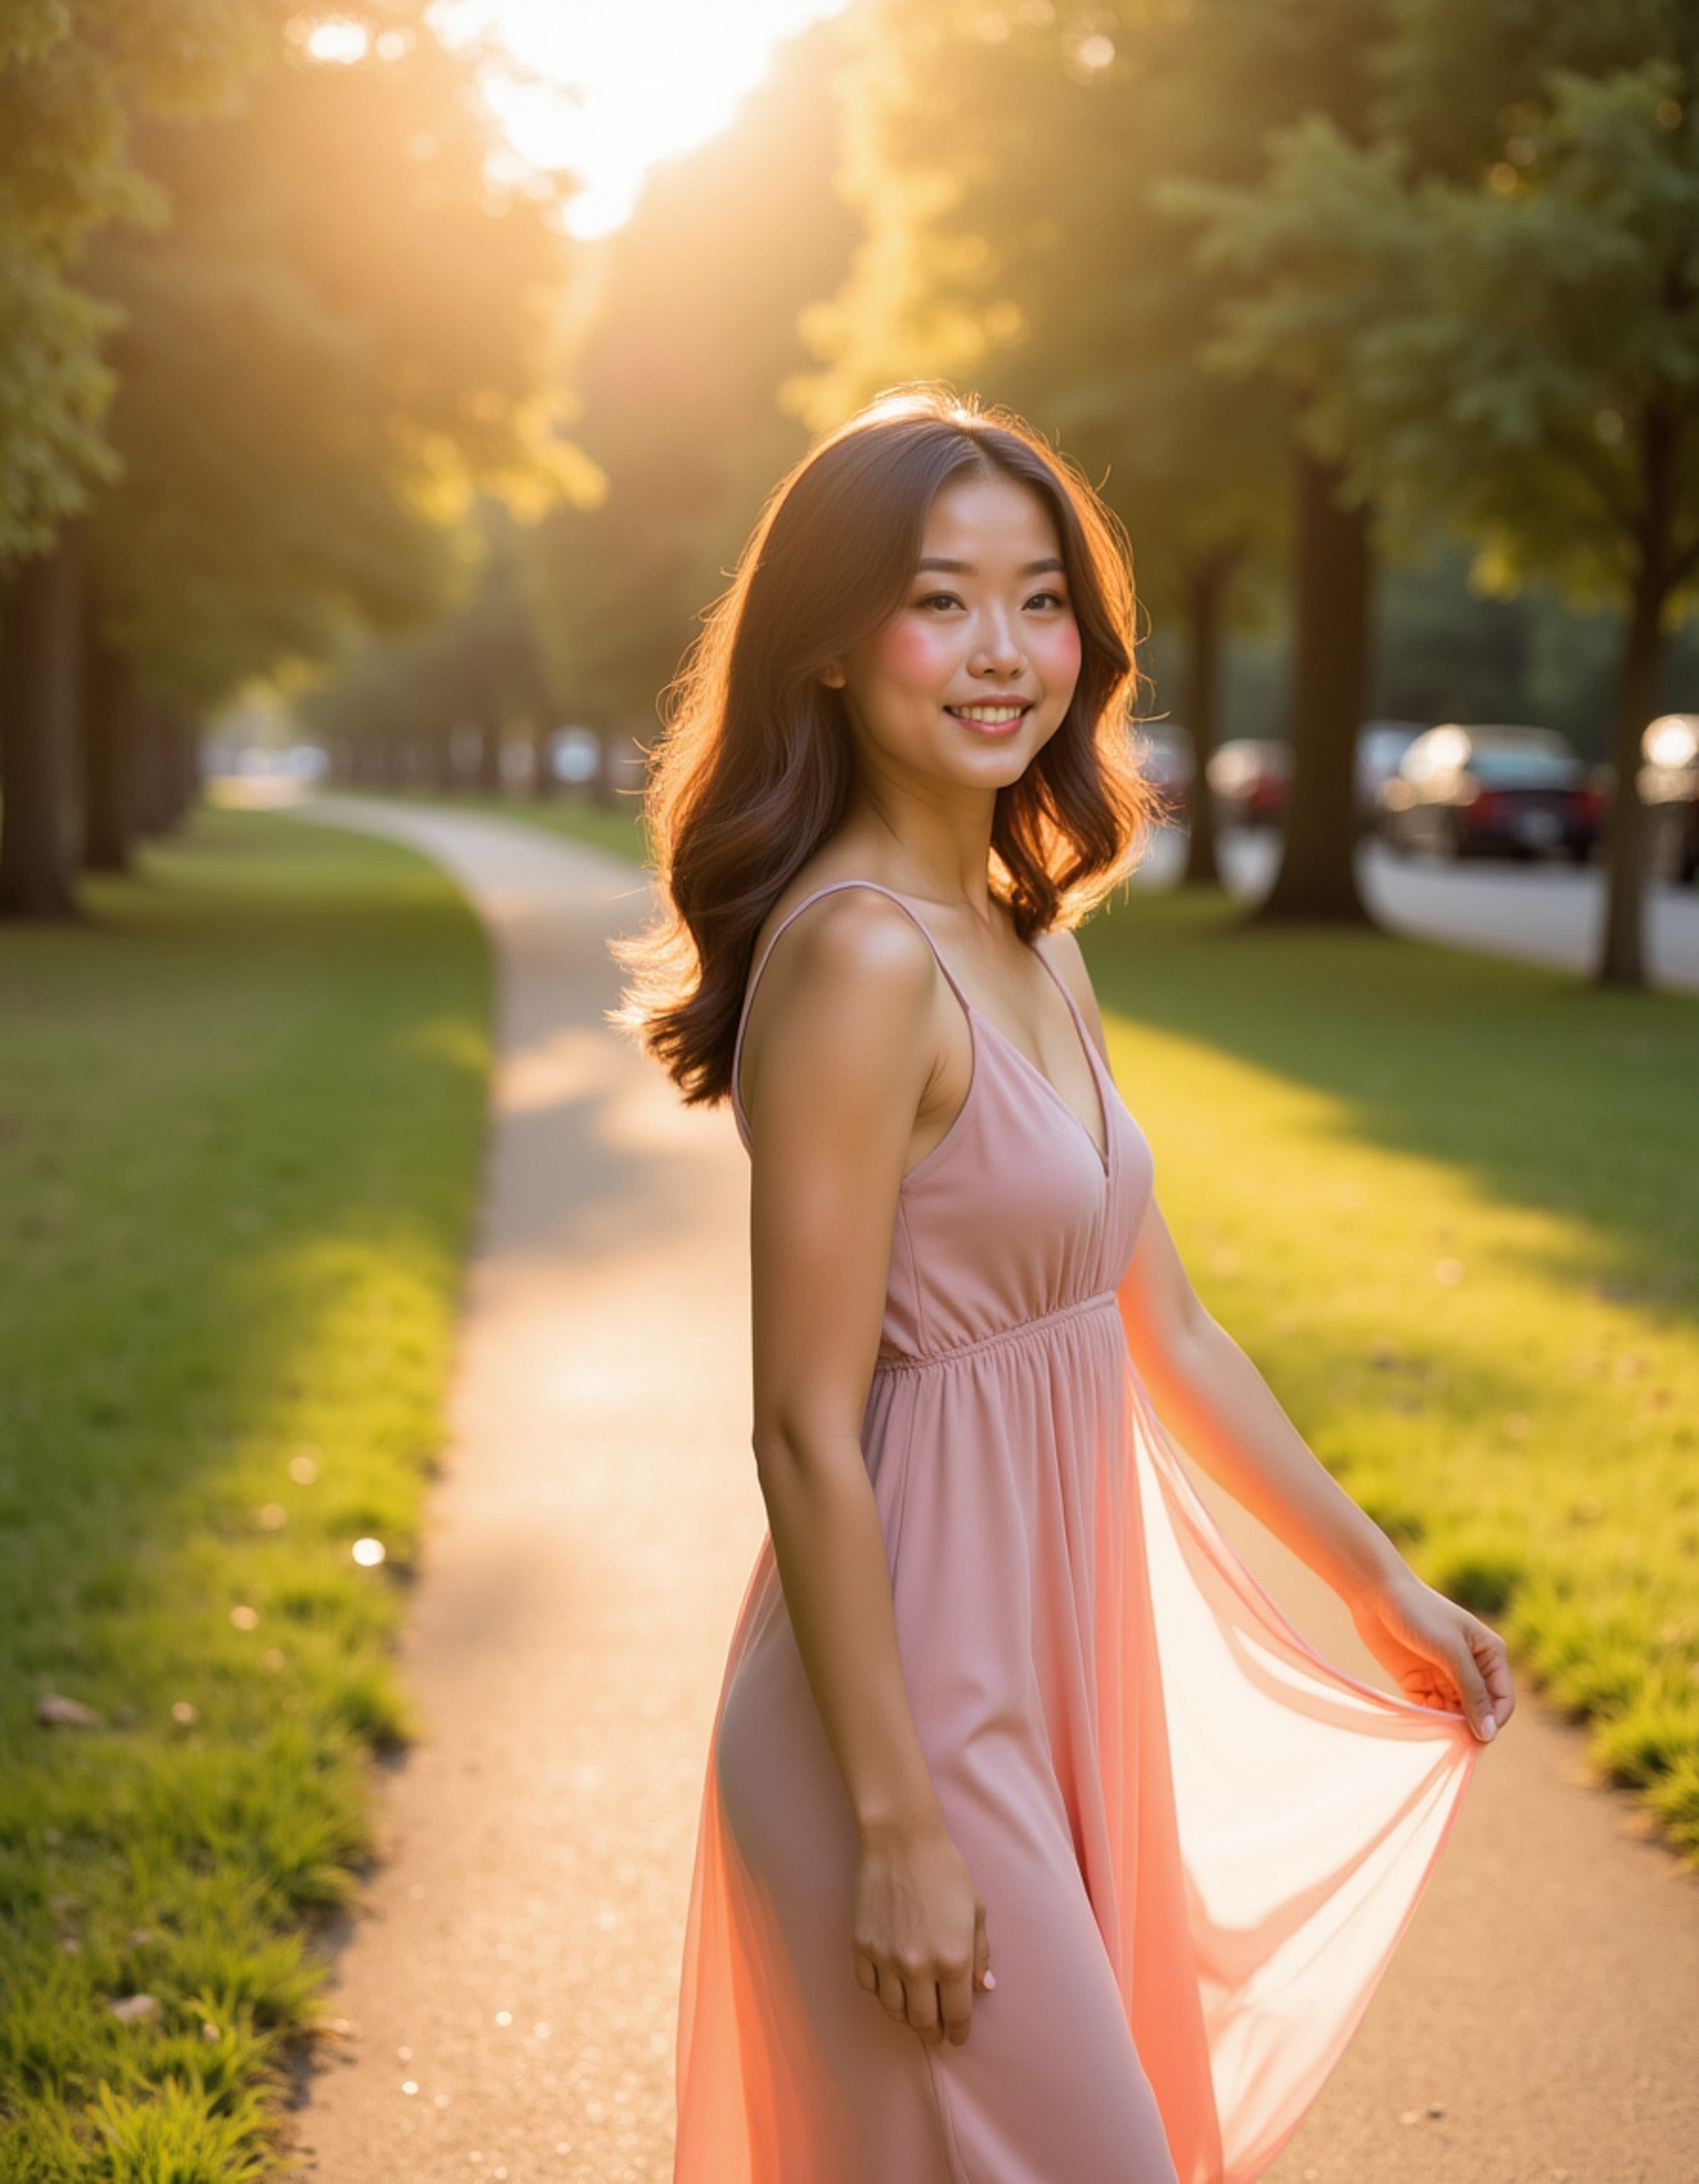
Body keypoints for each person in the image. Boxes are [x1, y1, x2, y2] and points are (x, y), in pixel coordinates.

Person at [617, 386, 1515, 2184]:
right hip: (909, 1721)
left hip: (1049, 1668)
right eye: (937, 596)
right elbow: (799, 1424)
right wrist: (895, 1823)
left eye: (1039, 599)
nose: (1000, 648)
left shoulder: (1026, 944)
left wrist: (1376, 1579)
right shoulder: (860, 962)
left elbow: (1163, 1322)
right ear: (825, 643)